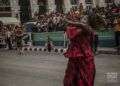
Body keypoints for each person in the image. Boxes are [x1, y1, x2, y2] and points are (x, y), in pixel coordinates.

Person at [63, 14, 96, 86]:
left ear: (89, 22)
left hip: (85, 57)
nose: (82, 20)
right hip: (76, 57)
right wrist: (69, 22)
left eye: (85, 19)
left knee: (84, 79)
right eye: (82, 18)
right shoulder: (78, 29)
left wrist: (68, 20)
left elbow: (80, 24)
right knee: (70, 79)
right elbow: (69, 30)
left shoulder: (88, 28)